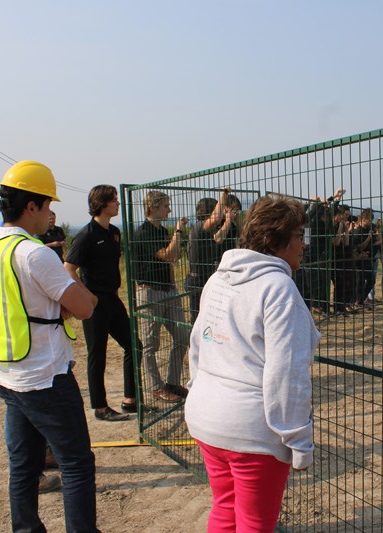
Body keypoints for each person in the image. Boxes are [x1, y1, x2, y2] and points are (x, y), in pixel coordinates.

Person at [185, 194, 320, 532]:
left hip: (207, 418)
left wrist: (197, 391)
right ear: (277, 240)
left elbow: (198, 344)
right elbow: (286, 374)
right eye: (299, 235)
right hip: (250, 432)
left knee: (225, 510)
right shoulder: (278, 289)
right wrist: (298, 439)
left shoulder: (218, 279)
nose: (304, 245)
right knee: (254, 525)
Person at [0, 160, 98, 532]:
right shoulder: (36, 254)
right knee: (76, 463)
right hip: (44, 375)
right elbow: (85, 307)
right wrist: (72, 292)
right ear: (31, 206)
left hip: (7, 373)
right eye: (47, 205)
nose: (51, 213)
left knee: (24, 465)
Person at [65, 185, 137, 421]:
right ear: (102, 204)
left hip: (113, 299)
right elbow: (69, 270)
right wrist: (87, 296)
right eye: (114, 199)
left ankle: (130, 400)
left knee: (133, 345)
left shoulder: (114, 232)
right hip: (95, 302)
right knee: (98, 354)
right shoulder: (86, 235)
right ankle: (101, 407)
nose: (118, 203)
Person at [133, 190, 190, 403]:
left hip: (168, 290)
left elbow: (172, 259)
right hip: (150, 292)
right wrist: (178, 231)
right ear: (153, 207)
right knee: (150, 343)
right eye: (166, 205)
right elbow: (168, 255)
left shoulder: (162, 230)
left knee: (183, 337)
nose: (169, 209)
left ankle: (172, 383)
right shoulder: (143, 233)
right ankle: (156, 387)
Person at [185, 188, 240, 323]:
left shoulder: (218, 226)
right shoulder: (200, 227)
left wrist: (236, 220)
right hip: (197, 279)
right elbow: (218, 238)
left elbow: (243, 236)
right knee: (199, 319)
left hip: (209, 276)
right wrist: (227, 218)